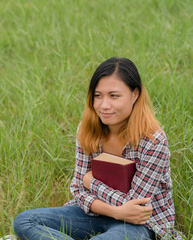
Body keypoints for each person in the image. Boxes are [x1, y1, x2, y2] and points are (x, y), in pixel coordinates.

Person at [13, 57, 184, 240]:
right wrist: (115, 211)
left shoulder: (153, 140)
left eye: (114, 96)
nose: (104, 105)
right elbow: (78, 190)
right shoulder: (87, 130)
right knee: (25, 221)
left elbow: (136, 206)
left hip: (139, 225)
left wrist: (91, 182)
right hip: (93, 213)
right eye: (98, 95)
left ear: (135, 94)